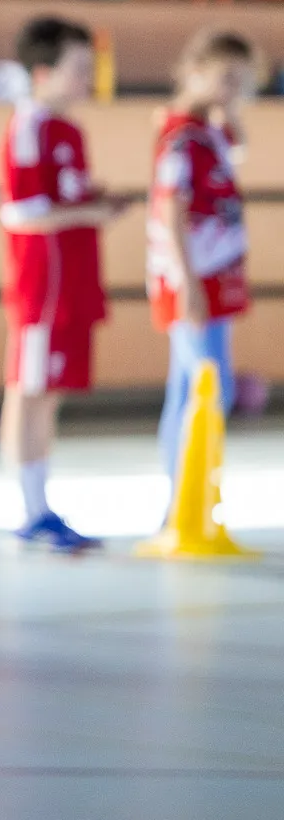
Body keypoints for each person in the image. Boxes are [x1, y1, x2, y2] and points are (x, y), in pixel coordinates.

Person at [0, 16, 130, 552]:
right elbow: (21, 210)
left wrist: (93, 204)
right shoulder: (29, 126)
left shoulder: (72, 131)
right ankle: (30, 508)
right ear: (43, 71)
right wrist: (89, 213)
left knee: (50, 395)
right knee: (29, 392)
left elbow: (63, 199)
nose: (86, 79)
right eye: (78, 68)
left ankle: (43, 503)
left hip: (75, 282)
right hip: (41, 288)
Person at [147, 29, 262, 494]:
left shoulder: (209, 131)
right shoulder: (180, 139)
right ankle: (187, 494)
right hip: (194, 278)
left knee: (188, 387)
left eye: (242, 81)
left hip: (217, 275)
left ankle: (188, 495)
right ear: (195, 73)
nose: (233, 91)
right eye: (226, 79)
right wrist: (186, 281)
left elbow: (238, 150)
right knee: (212, 388)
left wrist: (228, 112)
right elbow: (170, 210)